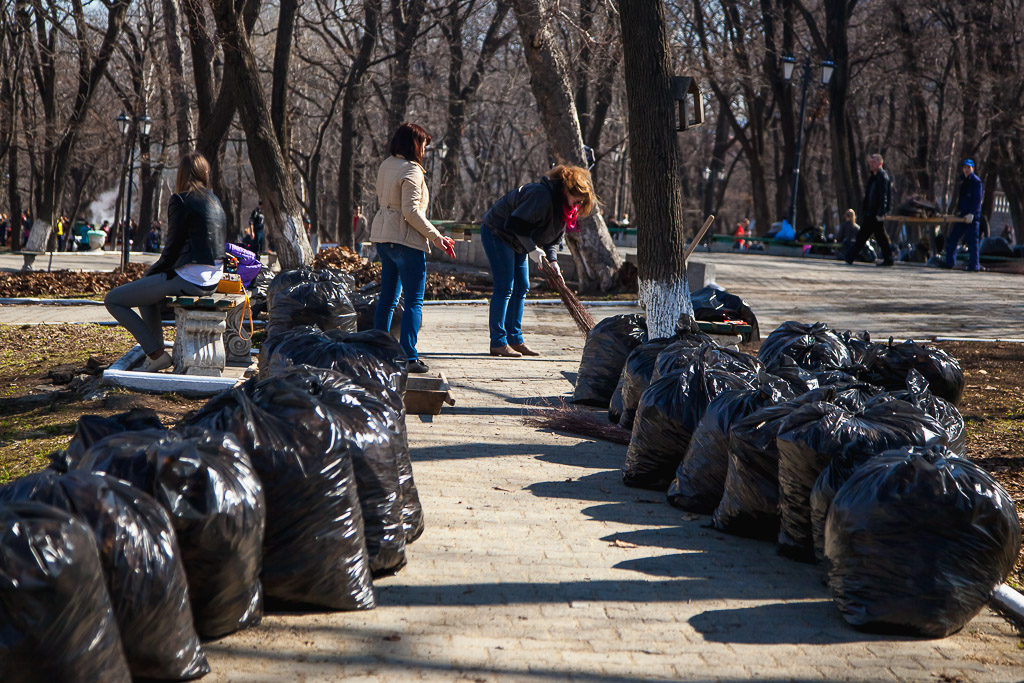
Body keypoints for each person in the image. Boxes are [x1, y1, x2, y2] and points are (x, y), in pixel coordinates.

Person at [104, 152, 226, 372]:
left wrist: (153, 271)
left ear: (182, 174)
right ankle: (156, 355)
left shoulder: (180, 200)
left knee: (113, 300)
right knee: (146, 292)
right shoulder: (214, 200)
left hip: (191, 278)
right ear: (203, 173)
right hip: (213, 279)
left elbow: (172, 248)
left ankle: (155, 353)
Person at [480, 164, 598, 358]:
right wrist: (533, 250)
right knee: (506, 286)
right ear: (567, 190)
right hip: (498, 233)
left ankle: (515, 339)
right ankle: (498, 342)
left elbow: (554, 238)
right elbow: (516, 225)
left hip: (518, 239)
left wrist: (553, 261)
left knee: (522, 286)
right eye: (576, 200)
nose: (576, 205)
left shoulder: (565, 207)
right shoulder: (541, 196)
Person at [370, 122, 456, 374]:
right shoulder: (412, 170)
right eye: (424, 146)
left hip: (383, 238)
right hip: (406, 243)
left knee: (387, 299)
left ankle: (378, 352)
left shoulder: (386, 165)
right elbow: (410, 211)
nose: (425, 151)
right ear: (415, 145)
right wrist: (437, 237)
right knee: (414, 302)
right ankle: (409, 356)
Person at [846, 153, 893, 267]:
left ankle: (850, 257)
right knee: (873, 236)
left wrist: (881, 211)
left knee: (869, 236)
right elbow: (869, 195)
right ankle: (850, 257)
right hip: (870, 212)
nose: (871, 165)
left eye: (874, 162)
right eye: (871, 162)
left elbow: (883, 196)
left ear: (880, 163)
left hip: (876, 213)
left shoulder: (882, 177)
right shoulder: (873, 177)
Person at [945, 159, 983, 272]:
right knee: (953, 238)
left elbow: (977, 199)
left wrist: (972, 213)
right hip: (962, 216)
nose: (966, 170)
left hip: (972, 217)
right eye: (965, 168)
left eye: (968, 168)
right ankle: (949, 262)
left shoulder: (976, 181)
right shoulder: (963, 180)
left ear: (973, 169)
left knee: (972, 241)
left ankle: (974, 265)